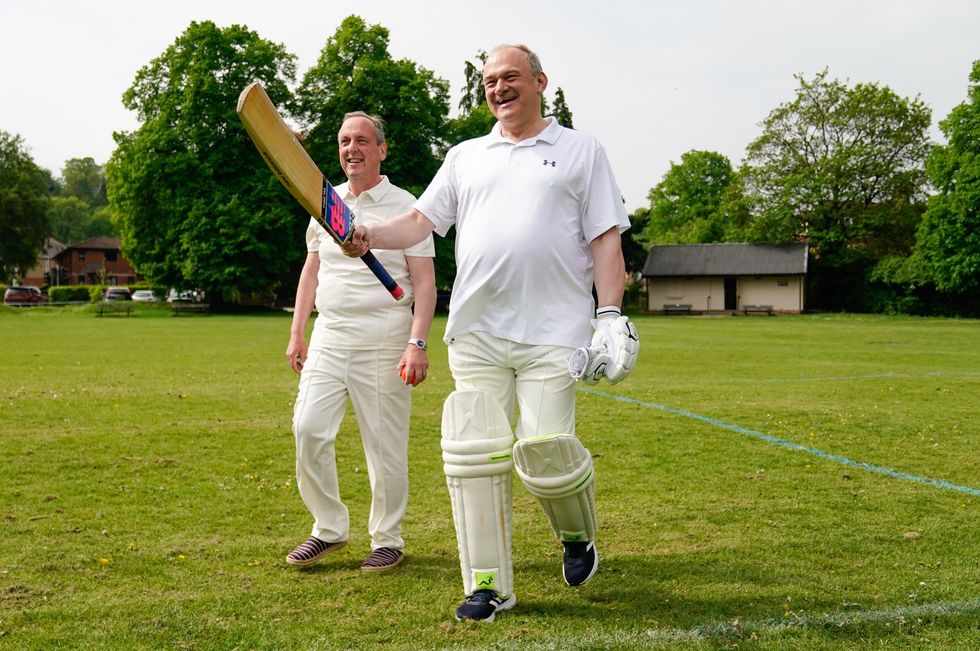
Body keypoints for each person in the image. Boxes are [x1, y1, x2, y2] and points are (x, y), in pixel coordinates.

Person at [343, 44, 638, 621]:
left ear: (539, 82)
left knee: (546, 451)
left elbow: (606, 238)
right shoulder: (465, 156)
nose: (498, 88)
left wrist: (609, 314)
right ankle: (488, 585)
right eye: (488, 82)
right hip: (477, 331)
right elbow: (420, 221)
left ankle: (576, 535)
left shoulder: (581, 150)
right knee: (474, 455)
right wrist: (369, 234)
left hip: (555, 332)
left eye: (509, 77)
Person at [285, 111, 436, 573]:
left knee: (384, 444)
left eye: (362, 140)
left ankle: (387, 539)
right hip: (330, 334)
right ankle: (328, 528)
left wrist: (417, 343)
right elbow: (311, 272)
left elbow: (425, 284)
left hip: (385, 335)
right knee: (308, 427)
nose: (352, 149)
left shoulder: (406, 205)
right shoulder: (324, 203)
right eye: (344, 141)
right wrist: (297, 331)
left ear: (381, 150)